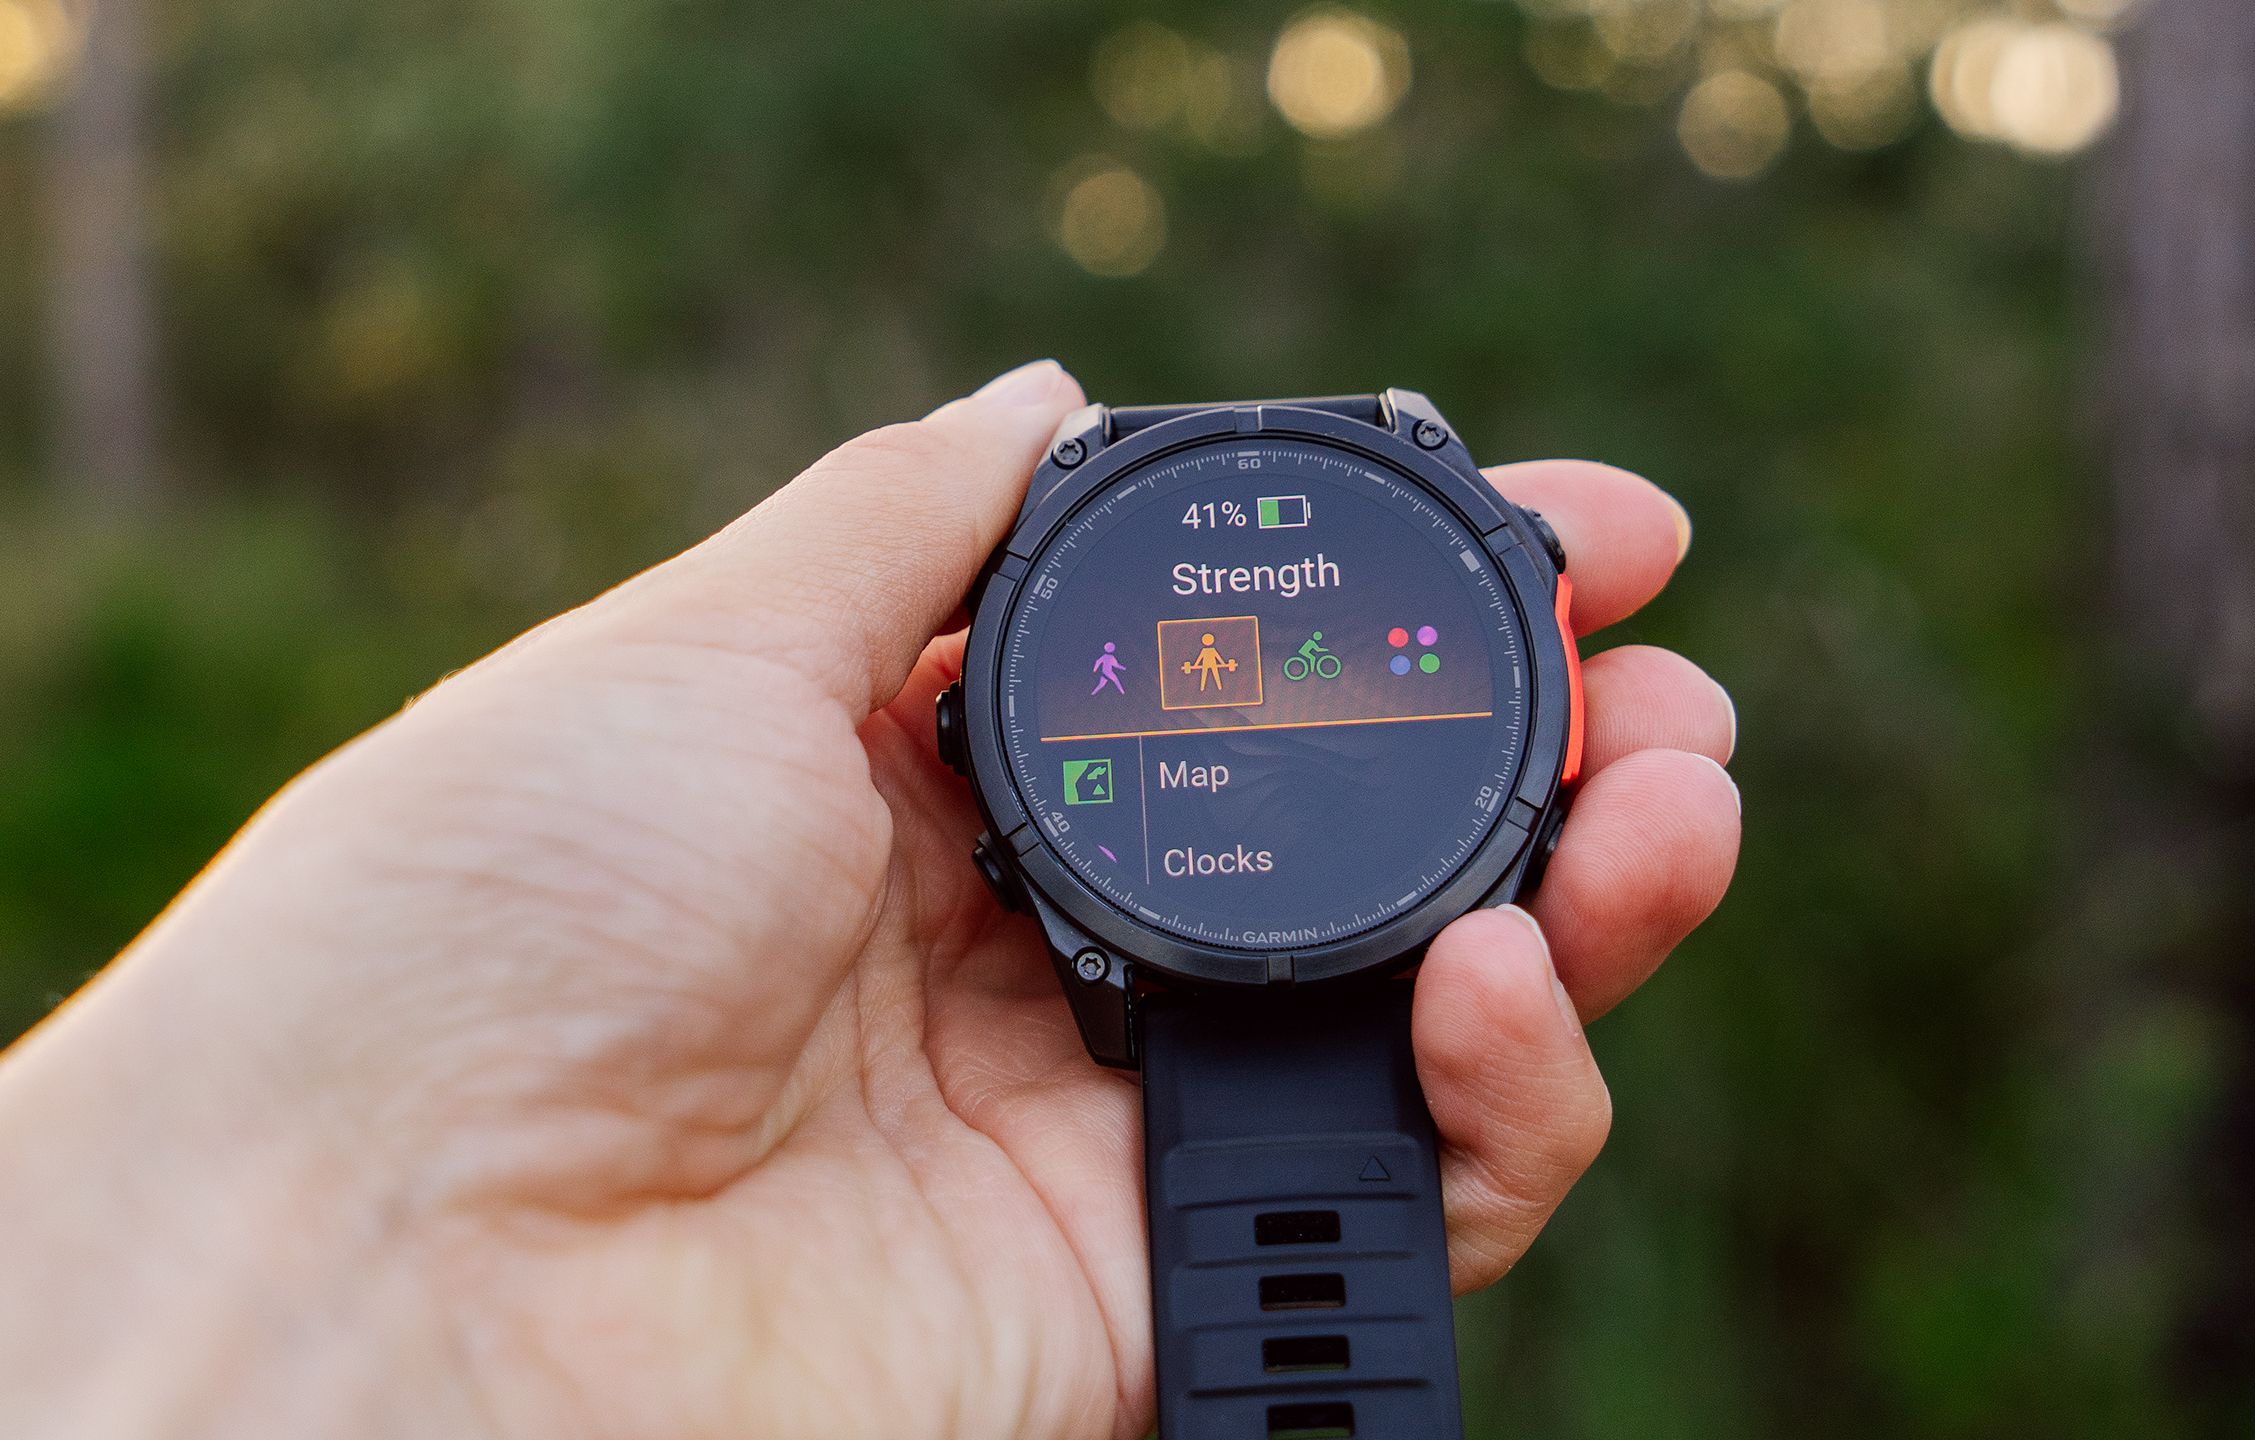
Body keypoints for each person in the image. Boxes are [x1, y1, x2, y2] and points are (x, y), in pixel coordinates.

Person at [0, 361, 1741, 1439]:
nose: (1241, 691)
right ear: (961, 728)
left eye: (1299, 661)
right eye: (1189, 673)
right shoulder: (1347, 579)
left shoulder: (1129, 572)